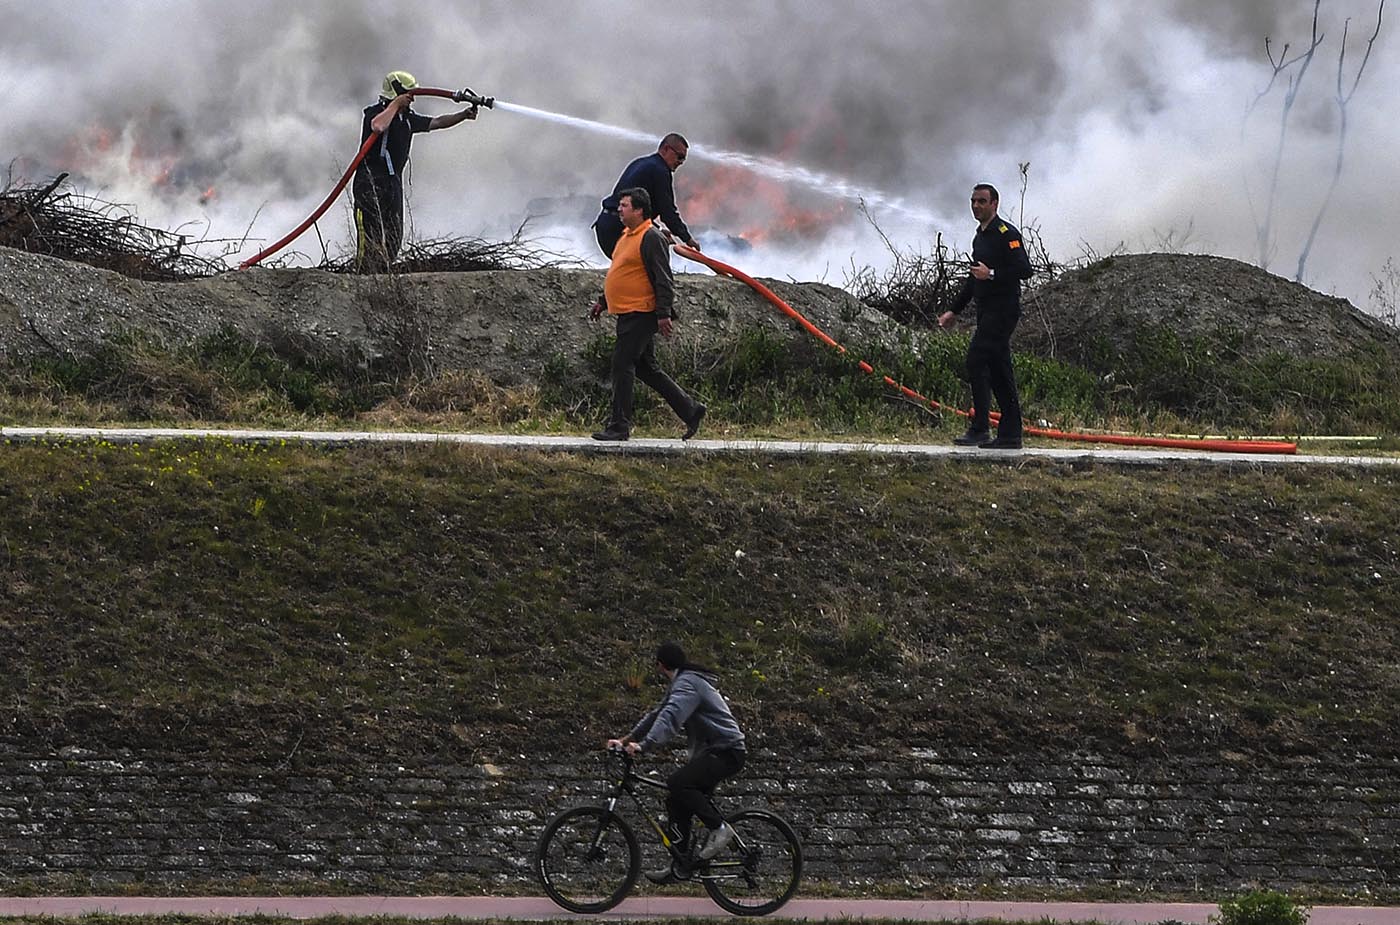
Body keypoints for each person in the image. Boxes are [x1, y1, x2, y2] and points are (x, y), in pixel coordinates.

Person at [607, 641, 747, 884]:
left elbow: (671, 716)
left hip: (728, 751)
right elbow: (657, 714)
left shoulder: (687, 684)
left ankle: (720, 829)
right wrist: (627, 739)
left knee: (678, 783)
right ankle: (680, 864)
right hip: (715, 751)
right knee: (676, 798)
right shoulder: (683, 682)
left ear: (660, 665)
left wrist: (644, 745)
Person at [589, 187, 706, 442]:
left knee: (622, 364)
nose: (619, 209)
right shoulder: (626, 236)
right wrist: (603, 302)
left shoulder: (651, 237)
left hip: (641, 312)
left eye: (625, 205)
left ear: (640, 210)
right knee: (646, 368)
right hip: (626, 311)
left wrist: (663, 314)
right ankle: (691, 410)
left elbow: (664, 279)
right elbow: (623, 273)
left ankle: (619, 426)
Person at [938, 183, 1034, 449]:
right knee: (999, 370)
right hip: (986, 311)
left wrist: (992, 274)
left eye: (982, 201)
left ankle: (981, 428)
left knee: (976, 360)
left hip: (1003, 311)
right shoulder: (980, 238)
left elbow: (1024, 269)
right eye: (973, 201)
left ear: (995, 204)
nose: (976, 206)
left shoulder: (1006, 234)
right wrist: (953, 311)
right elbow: (973, 279)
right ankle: (1010, 433)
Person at [353, 70, 479, 273]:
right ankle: (361, 282)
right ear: (397, 92)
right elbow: (377, 127)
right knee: (370, 242)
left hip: (392, 185)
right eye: (409, 94)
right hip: (369, 185)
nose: (413, 98)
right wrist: (396, 103)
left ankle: (384, 278)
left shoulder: (408, 119)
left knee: (393, 238)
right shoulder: (375, 112)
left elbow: (437, 122)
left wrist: (463, 115)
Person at [593, 134, 702, 258]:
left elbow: (636, 208)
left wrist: (658, 229)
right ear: (666, 149)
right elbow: (667, 212)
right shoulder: (660, 171)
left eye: (683, 159)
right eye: (679, 157)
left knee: (635, 267)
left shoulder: (642, 163)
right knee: (652, 262)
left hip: (606, 224)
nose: (680, 162)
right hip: (619, 227)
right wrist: (687, 239)